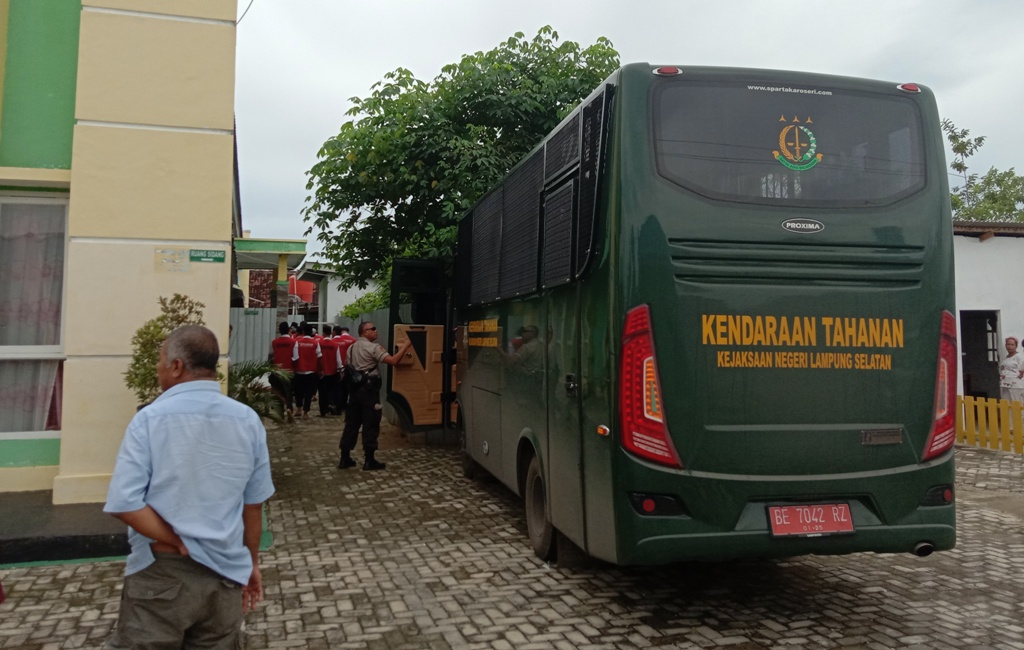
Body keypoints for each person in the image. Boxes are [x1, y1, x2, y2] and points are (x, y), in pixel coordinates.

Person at [104, 325, 275, 649]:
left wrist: (178, 541)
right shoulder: (247, 420)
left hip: (163, 574)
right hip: (225, 576)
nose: (158, 368)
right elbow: (253, 505)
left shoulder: (150, 419)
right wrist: (251, 564)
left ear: (176, 366)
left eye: (160, 360)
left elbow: (125, 502)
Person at [338, 321, 412, 470]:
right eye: (373, 329)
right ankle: (369, 460)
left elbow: (348, 365)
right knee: (371, 423)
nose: (376, 331)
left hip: (354, 392)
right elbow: (393, 361)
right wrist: (406, 346)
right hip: (369, 392)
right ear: (365, 332)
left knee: (352, 424)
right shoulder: (373, 348)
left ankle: (344, 458)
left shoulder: (351, 348)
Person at [292, 323, 321, 418]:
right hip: (311, 371)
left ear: (303, 331)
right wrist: (320, 369)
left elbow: (295, 357)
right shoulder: (315, 343)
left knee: (298, 391)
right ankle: (306, 412)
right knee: (309, 392)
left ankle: (299, 409)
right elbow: (319, 357)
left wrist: (294, 368)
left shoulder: (297, 342)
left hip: (299, 370)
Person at [269, 321, 296, 417]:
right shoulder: (293, 342)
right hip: (289, 371)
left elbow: (270, 356)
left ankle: (279, 412)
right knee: (288, 391)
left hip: (276, 371)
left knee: (277, 390)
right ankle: (289, 407)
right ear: (288, 330)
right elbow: (296, 358)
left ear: (279, 331)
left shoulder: (274, 342)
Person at [318, 325, 342, 416]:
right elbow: (338, 359)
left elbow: (318, 357)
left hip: (322, 372)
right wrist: (340, 370)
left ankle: (323, 410)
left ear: (323, 333)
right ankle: (333, 406)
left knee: (322, 392)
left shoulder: (319, 343)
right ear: (331, 333)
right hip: (333, 371)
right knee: (333, 391)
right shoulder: (335, 344)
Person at [334, 326, 357, 413]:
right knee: (346, 387)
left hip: (337, 366)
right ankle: (344, 404)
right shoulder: (353, 340)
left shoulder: (336, 340)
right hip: (349, 366)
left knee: (338, 387)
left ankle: (337, 404)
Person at [999, 335, 1024, 403]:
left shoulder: (1020, 357)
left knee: (1017, 405)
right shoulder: (1006, 358)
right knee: (1007, 405)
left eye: (1012, 345)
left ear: (1016, 346)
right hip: (1005, 384)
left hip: (1017, 386)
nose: (1010, 346)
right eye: (1008, 344)